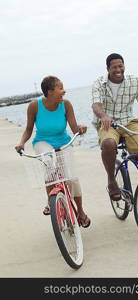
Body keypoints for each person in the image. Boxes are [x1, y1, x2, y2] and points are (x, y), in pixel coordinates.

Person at [15, 75, 90, 228]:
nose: (64, 91)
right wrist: (21, 143)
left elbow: (74, 128)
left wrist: (80, 129)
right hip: (43, 141)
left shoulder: (66, 105)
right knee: (49, 163)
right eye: (60, 88)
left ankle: (80, 211)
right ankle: (51, 201)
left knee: (72, 178)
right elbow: (29, 129)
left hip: (63, 141)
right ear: (50, 92)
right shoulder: (34, 106)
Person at [92, 53, 138, 201]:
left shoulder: (134, 81)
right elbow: (96, 105)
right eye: (114, 67)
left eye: (120, 66)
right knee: (108, 144)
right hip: (108, 123)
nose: (118, 69)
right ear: (108, 69)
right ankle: (112, 180)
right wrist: (104, 116)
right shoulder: (99, 83)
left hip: (129, 122)